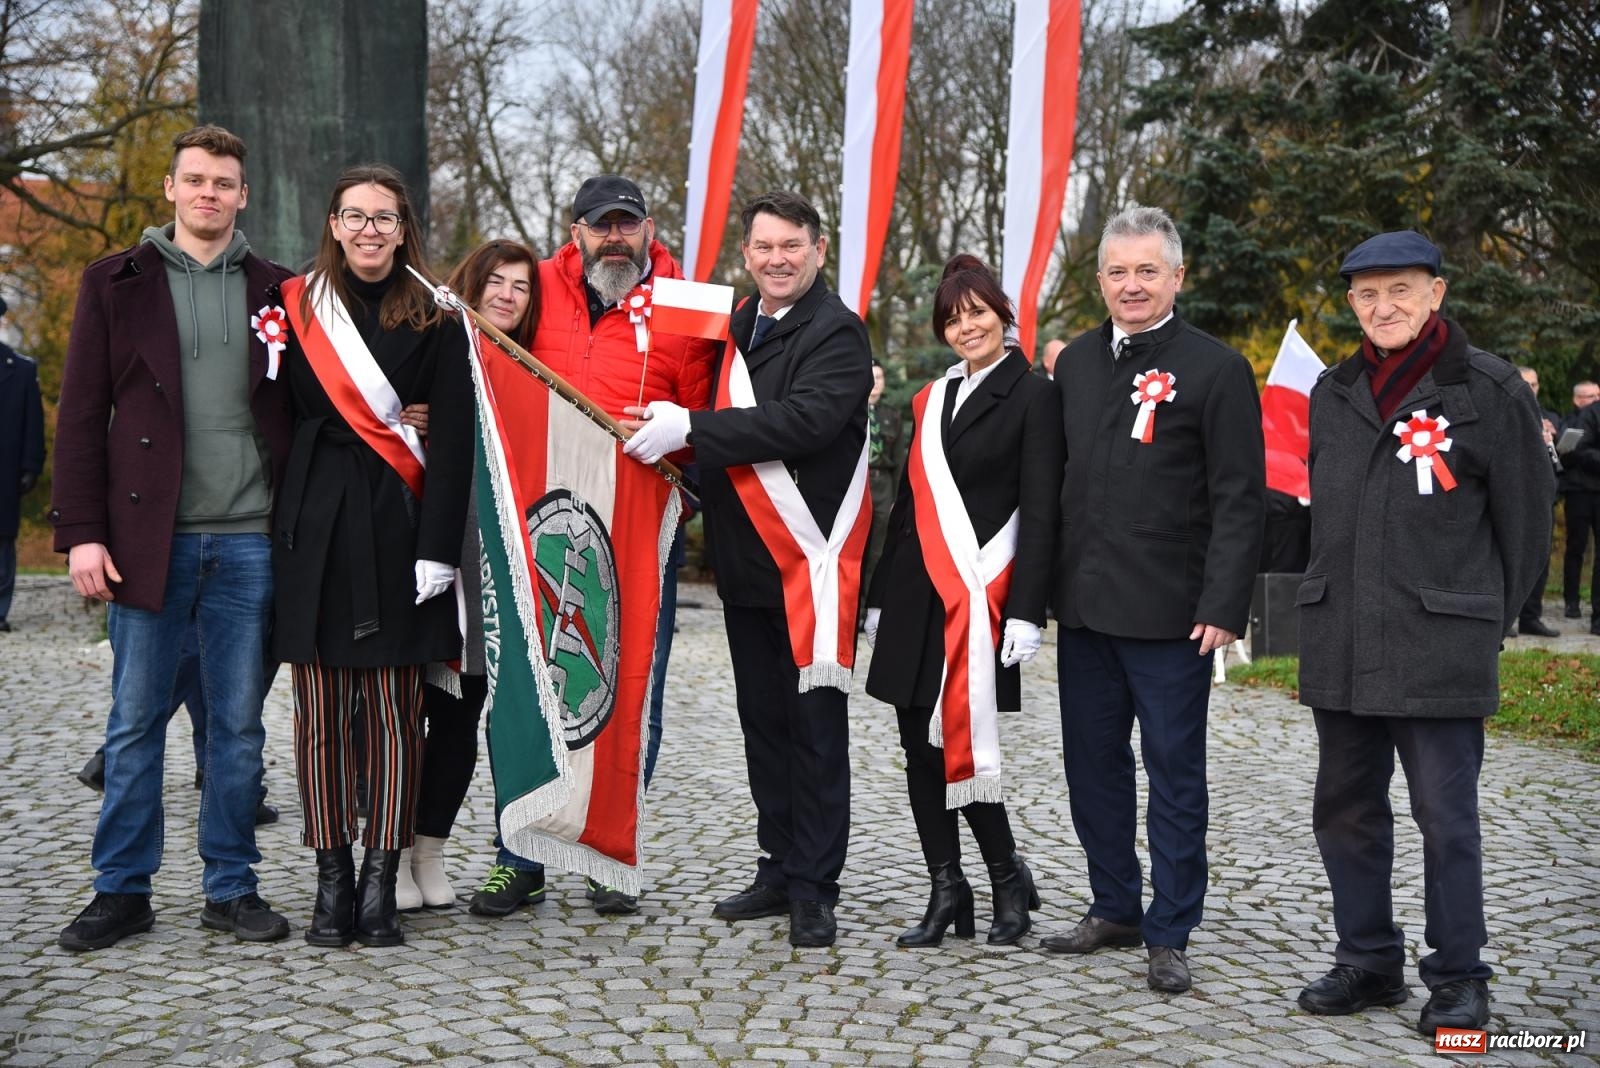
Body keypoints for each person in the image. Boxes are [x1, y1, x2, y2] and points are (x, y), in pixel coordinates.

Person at [1294, 230, 1551, 1034]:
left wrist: (1479, 618)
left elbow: (1528, 528)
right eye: (1367, 294)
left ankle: (1459, 978)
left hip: (1440, 644)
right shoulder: (1332, 391)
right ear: (1351, 304)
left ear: (1436, 293)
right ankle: (1368, 960)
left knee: (1447, 819)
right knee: (1345, 809)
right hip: (1341, 640)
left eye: (1400, 289)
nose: (1384, 307)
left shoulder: (1488, 389)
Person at [51, 125, 292, 950]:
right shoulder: (115, 282)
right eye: (196, 179)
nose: (209, 194)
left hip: (251, 541)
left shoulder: (279, 291)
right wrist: (83, 533)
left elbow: (313, 408)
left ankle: (232, 886)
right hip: (148, 539)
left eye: (225, 182)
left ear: (243, 195)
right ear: (170, 187)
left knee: (237, 729)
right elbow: (81, 417)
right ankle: (121, 890)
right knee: (133, 723)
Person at [622, 190, 873, 948]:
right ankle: (779, 861)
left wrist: (691, 426)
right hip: (744, 563)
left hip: (810, 567)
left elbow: (805, 421)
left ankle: (815, 886)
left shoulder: (839, 332)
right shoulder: (732, 323)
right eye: (763, 247)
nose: (776, 259)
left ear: (818, 250)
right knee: (763, 724)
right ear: (747, 254)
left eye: (790, 245)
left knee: (815, 730)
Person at [468, 175, 715, 918]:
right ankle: (522, 854)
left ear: (649, 229)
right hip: (536, 523)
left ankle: (611, 845)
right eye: (600, 226)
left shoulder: (693, 303)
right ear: (573, 231)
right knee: (529, 687)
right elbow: (476, 337)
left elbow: (715, 409)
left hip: (638, 527)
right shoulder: (534, 286)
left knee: (629, 684)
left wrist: (687, 424)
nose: (616, 238)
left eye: (628, 226)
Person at [1044, 205, 1264, 993]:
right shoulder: (1074, 366)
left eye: (1147, 271)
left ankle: (1170, 929)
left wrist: (1225, 603)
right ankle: (1115, 905)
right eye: (1117, 271)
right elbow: (1056, 486)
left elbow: (1241, 498)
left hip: (1175, 617)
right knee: (1092, 767)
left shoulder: (1217, 369)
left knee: (1175, 775)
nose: (1131, 285)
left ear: (1177, 277)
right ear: (1099, 278)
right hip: (1088, 610)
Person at [273, 163, 472, 948]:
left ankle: (380, 884)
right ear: (332, 223)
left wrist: (438, 550)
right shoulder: (293, 308)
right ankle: (331, 883)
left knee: (395, 719)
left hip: (399, 529)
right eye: (354, 216)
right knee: (319, 718)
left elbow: (452, 444)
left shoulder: (435, 318)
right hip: (316, 529)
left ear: (403, 228)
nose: (368, 231)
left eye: (383, 218)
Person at [863, 254, 1063, 948]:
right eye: (953, 317)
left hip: (979, 598)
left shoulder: (1035, 396)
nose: (966, 326)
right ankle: (947, 889)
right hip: (917, 595)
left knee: (960, 743)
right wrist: (881, 595)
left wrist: (1029, 610)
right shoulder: (934, 397)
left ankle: (1008, 880)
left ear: (1003, 315)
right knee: (919, 748)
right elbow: (909, 505)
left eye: (977, 312)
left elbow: (1041, 512)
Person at [379, 239, 542, 914]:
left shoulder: (535, 372)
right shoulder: (431, 347)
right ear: (469, 287)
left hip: (491, 571)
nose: (506, 294)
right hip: (417, 558)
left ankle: (430, 850)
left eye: (521, 287)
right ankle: (383, 857)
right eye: (495, 281)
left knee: (458, 715)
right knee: (400, 716)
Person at [0, 296, 45, 633]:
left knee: (2, 543)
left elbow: (33, 422)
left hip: (5, 472)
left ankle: (0, 610)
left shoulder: (21, 369)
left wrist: (31, 465)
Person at [1511, 366, 1560, 638]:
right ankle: (1507, 619)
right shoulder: (1504, 412)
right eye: (1525, 383)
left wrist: (1552, 438)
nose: (1531, 389)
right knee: (1512, 559)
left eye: (1535, 384)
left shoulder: (1548, 417)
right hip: (1514, 498)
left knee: (1540, 558)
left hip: (1543, 498)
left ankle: (1531, 616)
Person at [861, 360, 903, 612]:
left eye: (880, 378)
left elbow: (899, 461)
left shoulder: (892, 415)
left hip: (883, 485)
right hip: (858, 483)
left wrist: (897, 498)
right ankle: (852, 609)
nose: (875, 384)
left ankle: (871, 607)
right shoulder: (850, 410)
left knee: (878, 549)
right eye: (871, 377)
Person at [1559, 380, 1599, 623]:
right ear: (1577, 400)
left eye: (1597, 395)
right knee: (1576, 547)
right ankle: (1571, 600)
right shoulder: (1568, 422)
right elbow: (1572, 453)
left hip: (1597, 491)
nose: (1594, 400)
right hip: (1578, 491)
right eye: (1589, 396)